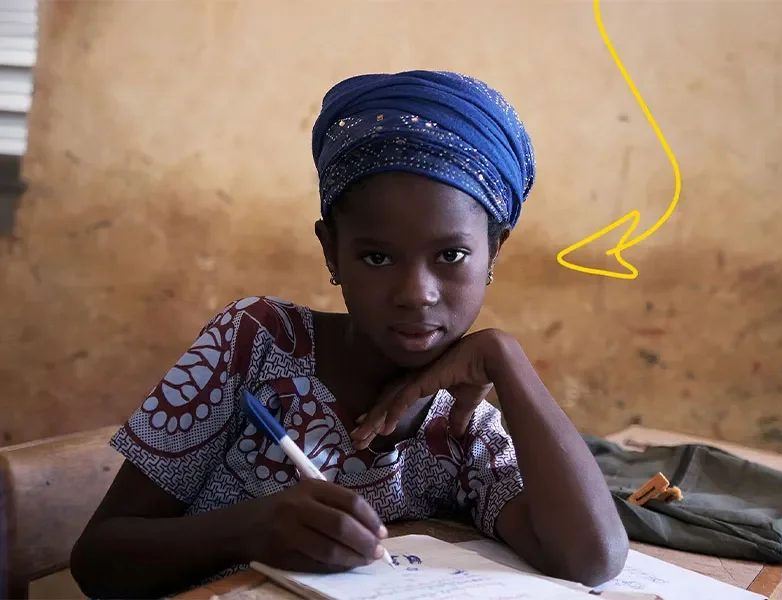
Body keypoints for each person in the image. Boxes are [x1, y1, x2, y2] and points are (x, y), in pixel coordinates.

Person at [70, 70, 628, 599]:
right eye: (377, 256)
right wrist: (248, 529)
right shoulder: (255, 343)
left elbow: (592, 559)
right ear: (331, 250)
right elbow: (98, 563)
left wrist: (505, 357)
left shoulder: (459, 425)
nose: (416, 293)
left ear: (493, 253)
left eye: (451, 255)